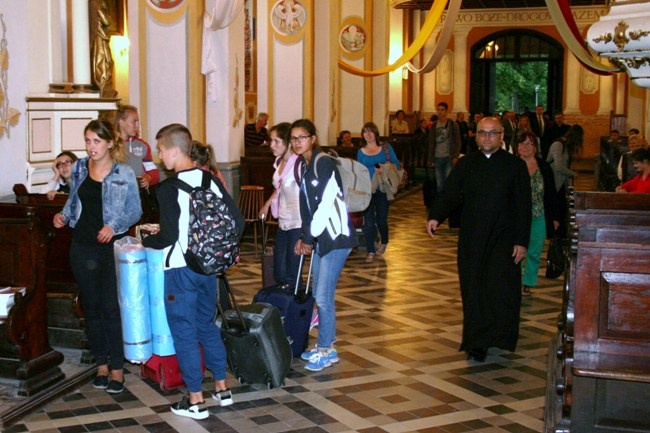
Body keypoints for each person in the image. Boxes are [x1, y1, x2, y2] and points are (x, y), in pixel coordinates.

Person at [142, 123, 244, 420]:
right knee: (206, 325)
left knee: (184, 332)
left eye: (161, 150)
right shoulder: (209, 178)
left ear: (174, 150)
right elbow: (237, 222)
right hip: (208, 269)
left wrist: (146, 239)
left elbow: (169, 236)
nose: (160, 157)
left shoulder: (169, 188)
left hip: (181, 270)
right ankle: (222, 388)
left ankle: (196, 399)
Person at [426, 116, 531, 363]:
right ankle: (477, 342)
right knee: (474, 289)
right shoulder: (466, 164)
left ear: (502, 135)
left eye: (492, 133)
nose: (486, 137)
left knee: (499, 290)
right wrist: (435, 216)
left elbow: (523, 205)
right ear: (476, 136)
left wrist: (521, 240)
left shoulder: (515, 166)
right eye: (482, 133)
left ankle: (500, 336)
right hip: (472, 238)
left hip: (504, 240)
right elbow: (450, 192)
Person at [53, 119, 142, 394]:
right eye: (88, 141)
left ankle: (117, 368)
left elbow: (135, 211)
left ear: (110, 143)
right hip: (82, 245)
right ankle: (101, 365)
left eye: (96, 141)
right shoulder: (80, 167)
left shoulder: (123, 173)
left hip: (109, 247)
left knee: (110, 308)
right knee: (90, 307)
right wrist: (63, 216)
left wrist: (112, 227)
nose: (91, 147)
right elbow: (74, 199)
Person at [291, 118, 356, 372]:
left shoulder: (323, 163)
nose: (297, 142)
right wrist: (307, 237)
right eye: (294, 138)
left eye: (302, 137)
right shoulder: (305, 165)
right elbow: (307, 208)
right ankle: (326, 346)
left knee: (323, 296)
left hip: (336, 238)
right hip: (322, 239)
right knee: (322, 294)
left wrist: (307, 238)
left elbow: (325, 205)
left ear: (313, 138)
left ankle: (326, 349)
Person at [516, 131, 560, 297]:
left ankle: (528, 282)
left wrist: (555, 217)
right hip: (517, 217)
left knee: (534, 251)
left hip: (539, 215)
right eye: (522, 144)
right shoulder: (512, 165)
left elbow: (552, 193)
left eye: (529, 144)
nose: (525, 147)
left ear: (535, 147)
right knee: (517, 249)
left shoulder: (544, 167)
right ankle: (516, 280)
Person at [259, 122, 302, 287]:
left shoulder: (299, 164)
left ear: (288, 142)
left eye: (276, 141)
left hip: (298, 222)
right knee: (279, 270)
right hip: (283, 221)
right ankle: (287, 302)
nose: (272, 145)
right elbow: (279, 188)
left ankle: (297, 307)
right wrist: (267, 205)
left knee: (292, 272)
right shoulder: (278, 162)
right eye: (271, 140)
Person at [356, 122, 400, 263]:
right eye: (365, 132)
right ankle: (370, 250)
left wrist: (383, 168)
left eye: (370, 132)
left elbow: (396, 165)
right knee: (368, 222)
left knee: (381, 219)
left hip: (382, 189)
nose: (368, 135)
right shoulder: (360, 151)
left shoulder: (385, 149)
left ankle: (384, 241)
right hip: (367, 190)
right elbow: (359, 170)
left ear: (375, 133)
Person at [114, 104, 161, 220]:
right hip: (117, 196)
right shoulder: (110, 145)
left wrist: (148, 177)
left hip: (139, 196)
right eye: (133, 122)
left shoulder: (142, 145)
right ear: (121, 122)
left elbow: (154, 172)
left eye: (137, 122)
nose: (137, 126)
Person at [547, 124, 583, 238]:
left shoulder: (565, 146)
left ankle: (560, 237)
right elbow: (558, 166)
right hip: (554, 182)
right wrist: (573, 174)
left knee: (561, 211)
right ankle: (555, 237)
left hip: (561, 183)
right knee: (556, 212)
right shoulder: (558, 145)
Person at [428, 102, 462, 193]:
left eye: (442, 110)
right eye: (438, 110)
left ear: (446, 111)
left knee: (448, 182)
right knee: (439, 184)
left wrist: (455, 156)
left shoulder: (453, 124)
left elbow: (458, 141)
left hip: (449, 157)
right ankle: (440, 205)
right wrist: (430, 158)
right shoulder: (434, 125)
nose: (440, 112)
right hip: (437, 156)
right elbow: (431, 142)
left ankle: (448, 204)